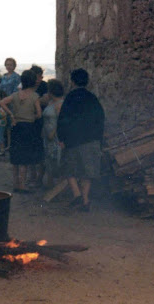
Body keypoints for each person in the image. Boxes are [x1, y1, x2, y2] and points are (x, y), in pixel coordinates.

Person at [57, 68, 105, 212]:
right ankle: (85, 200)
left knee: (69, 169)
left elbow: (63, 119)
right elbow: (100, 119)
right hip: (91, 140)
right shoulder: (93, 98)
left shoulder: (70, 98)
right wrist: (99, 139)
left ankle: (77, 194)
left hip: (72, 141)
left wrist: (61, 137)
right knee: (87, 172)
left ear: (72, 82)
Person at [0, 70, 42, 193]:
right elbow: (39, 114)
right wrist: (32, 116)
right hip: (28, 127)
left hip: (16, 126)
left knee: (16, 156)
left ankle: (16, 184)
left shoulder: (15, 94)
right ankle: (22, 184)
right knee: (24, 157)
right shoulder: (35, 96)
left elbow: (2, 102)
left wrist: (11, 114)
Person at [42, 79, 65, 189]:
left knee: (56, 160)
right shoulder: (51, 102)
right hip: (47, 136)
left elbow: (61, 121)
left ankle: (58, 188)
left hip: (54, 136)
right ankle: (50, 186)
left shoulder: (60, 105)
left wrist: (53, 133)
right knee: (49, 160)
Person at [0, 57, 21, 151]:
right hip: (3, 102)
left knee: (11, 125)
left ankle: (11, 144)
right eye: (7, 64)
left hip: (12, 103)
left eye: (10, 64)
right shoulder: (3, 77)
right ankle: (3, 145)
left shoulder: (16, 77)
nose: (9, 66)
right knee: (3, 124)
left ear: (14, 66)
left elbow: (17, 91)